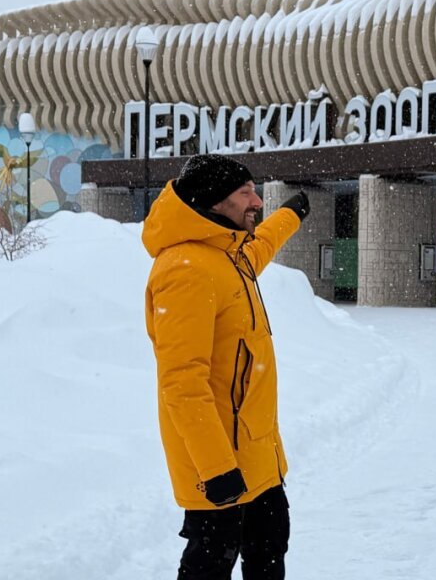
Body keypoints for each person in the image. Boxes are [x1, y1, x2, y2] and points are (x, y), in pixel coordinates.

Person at [142, 154, 310, 579]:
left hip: (256, 453)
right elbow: (182, 383)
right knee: (211, 563)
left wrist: (291, 215)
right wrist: (217, 469)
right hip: (219, 462)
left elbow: (262, 244)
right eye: (245, 192)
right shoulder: (186, 270)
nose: (257, 200)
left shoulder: (229, 256)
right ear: (216, 202)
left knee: (269, 549)